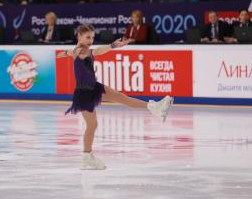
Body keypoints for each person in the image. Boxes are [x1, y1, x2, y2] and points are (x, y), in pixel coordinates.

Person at [57, 24, 173, 170]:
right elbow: (88, 51)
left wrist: (112, 45)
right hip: (84, 92)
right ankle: (86, 157)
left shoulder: (79, 49)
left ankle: (154, 107)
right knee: (92, 125)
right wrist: (110, 47)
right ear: (79, 36)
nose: (90, 40)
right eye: (87, 37)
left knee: (119, 98)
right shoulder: (81, 50)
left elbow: (88, 51)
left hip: (93, 86)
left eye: (92, 37)